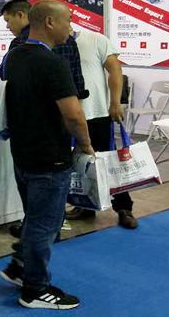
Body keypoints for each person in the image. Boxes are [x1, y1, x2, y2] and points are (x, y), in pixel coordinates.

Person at [0, 0, 93, 310]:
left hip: (22, 153)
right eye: (68, 21)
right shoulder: (53, 63)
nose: (71, 28)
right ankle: (35, 289)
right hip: (50, 157)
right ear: (50, 22)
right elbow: (73, 114)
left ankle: (20, 267)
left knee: (34, 218)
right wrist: (86, 145)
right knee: (45, 225)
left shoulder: (15, 56)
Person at [66, 29, 136, 228]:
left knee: (107, 161)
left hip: (97, 114)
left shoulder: (95, 40)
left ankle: (124, 207)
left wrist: (115, 102)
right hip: (67, 115)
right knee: (77, 165)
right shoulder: (53, 44)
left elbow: (115, 70)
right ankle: (84, 205)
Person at [2, 0, 88, 99]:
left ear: (20, 15)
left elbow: (6, 77)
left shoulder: (18, 43)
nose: (7, 26)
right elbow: (78, 83)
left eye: (8, 20)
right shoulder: (70, 41)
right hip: (66, 104)